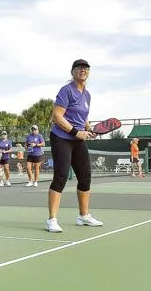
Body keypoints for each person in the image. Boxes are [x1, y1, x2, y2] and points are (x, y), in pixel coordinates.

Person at [46, 59, 103, 233]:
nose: (83, 70)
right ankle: (52, 220)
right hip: (61, 137)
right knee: (61, 176)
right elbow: (57, 116)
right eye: (79, 68)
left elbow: (82, 117)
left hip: (78, 139)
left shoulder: (87, 94)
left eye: (86, 68)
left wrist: (87, 128)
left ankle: (83, 216)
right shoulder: (66, 90)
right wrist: (75, 132)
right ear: (72, 72)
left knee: (85, 176)